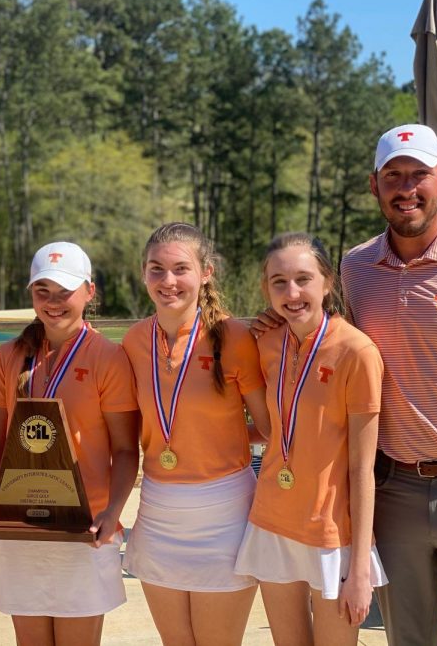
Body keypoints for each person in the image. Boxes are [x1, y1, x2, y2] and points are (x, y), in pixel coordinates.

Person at [255, 124, 437, 644]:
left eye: (420, 174)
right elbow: (329, 336)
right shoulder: (356, 265)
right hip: (392, 491)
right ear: (374, 185)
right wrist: (281, 318)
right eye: (393, 175)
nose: (406, 187)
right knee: (408, 639)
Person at [0, 241, 140, 646]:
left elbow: (126, 449)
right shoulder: (10, 355)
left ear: (89, 292)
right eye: (43, 292)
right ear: (31, 294)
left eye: (65, 293)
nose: (53, 303)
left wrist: (113, 511)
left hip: (83, 528)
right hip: (19, 525)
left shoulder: (108, 358)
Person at [121, 222, 270, 646]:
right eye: (156, 269)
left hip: (224, 513)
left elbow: (269, 428)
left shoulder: (235, 337)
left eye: (180, 269)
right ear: (144, 273)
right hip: (156, 511)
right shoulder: (133, 342)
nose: (168, 281)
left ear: (206, 272)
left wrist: (224, 436)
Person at [235, 233, 387, 646]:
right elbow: (272, 427)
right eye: (278, 282)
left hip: (331, 533)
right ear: (265, 289)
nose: (292, 292)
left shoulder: (358, 352)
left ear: (327, 282)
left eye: (304, 278)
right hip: (272, 518)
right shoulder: (264, 341)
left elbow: (362, 468)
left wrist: (359, 570)